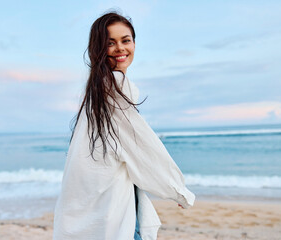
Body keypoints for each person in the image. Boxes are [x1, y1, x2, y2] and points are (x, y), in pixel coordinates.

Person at [53, 11, 195, 240]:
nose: (120, 48)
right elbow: (142, 146)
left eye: (125, 40)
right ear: (98, 48)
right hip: (112, 206)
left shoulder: (96, 89)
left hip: (97, 205)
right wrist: (177, 190)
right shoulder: (115, 86)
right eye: (110, 43)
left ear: (134, 43)